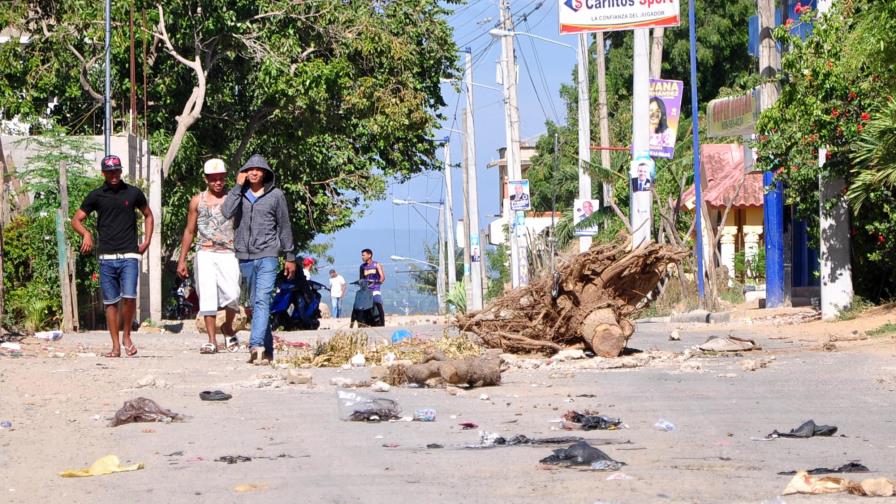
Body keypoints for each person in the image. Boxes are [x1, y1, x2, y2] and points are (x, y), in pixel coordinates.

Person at [72, 154, 153, 358]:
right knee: (110, 302)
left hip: (129, 254)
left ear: (121, 170)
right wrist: (86, 234)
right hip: (106, 256)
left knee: (129, 297)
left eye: (116, 170)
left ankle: (127, 336)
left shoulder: (133, 193)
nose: (114, 174)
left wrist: (147, 241)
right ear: (104, 174)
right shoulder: (96, 196)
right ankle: (115, 346)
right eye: (109, 171)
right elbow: (76, 220)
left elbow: (148, 215)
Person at [221, 154, 296, 365]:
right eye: (250, 169)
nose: (254, 172)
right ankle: (268, 350)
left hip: (269, 254)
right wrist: (237, 187)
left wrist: (290, 256)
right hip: (244, 256)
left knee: (263, 299)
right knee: (256, 303)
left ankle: (255, 346)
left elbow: (284, 226)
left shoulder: (276, 196)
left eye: (258, 169)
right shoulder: (239, 195)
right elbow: (226, 212)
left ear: (265, 174)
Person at [176, 158, 240, 354]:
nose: (218, 182)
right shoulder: (197, 200)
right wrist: (182, 259)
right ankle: (211, 340)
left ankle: (227, 327)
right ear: (206, 179)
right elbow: (189, 230)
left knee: (233, 294)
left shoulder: (233, 199)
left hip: (228, 252)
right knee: (207, 295)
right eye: (213, 179)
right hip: (204, 252)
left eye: (221, 178)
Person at [359, 248, 386, 326]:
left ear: (369, 255)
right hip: (367, 290)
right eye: (362, 255)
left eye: (363, 255)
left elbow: (382, 276)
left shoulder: (377, 265)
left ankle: (382, 323)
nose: (362, 257)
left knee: (378, 303)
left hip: (375, 288)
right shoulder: (362, 267)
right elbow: (361, 279)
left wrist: (379, 281)